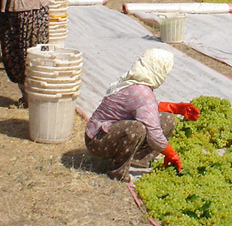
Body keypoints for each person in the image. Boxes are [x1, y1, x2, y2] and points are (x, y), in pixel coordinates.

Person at [84, 48, 200, 182]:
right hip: (97, 141)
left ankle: (138, 160)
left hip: (108, 134)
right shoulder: (141, 91)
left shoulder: (134, 81)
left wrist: (174, 108)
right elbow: (155, 135)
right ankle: (117, 171)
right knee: (136, 128)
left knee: (167, 119)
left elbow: (143, 109)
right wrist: (172, 155)